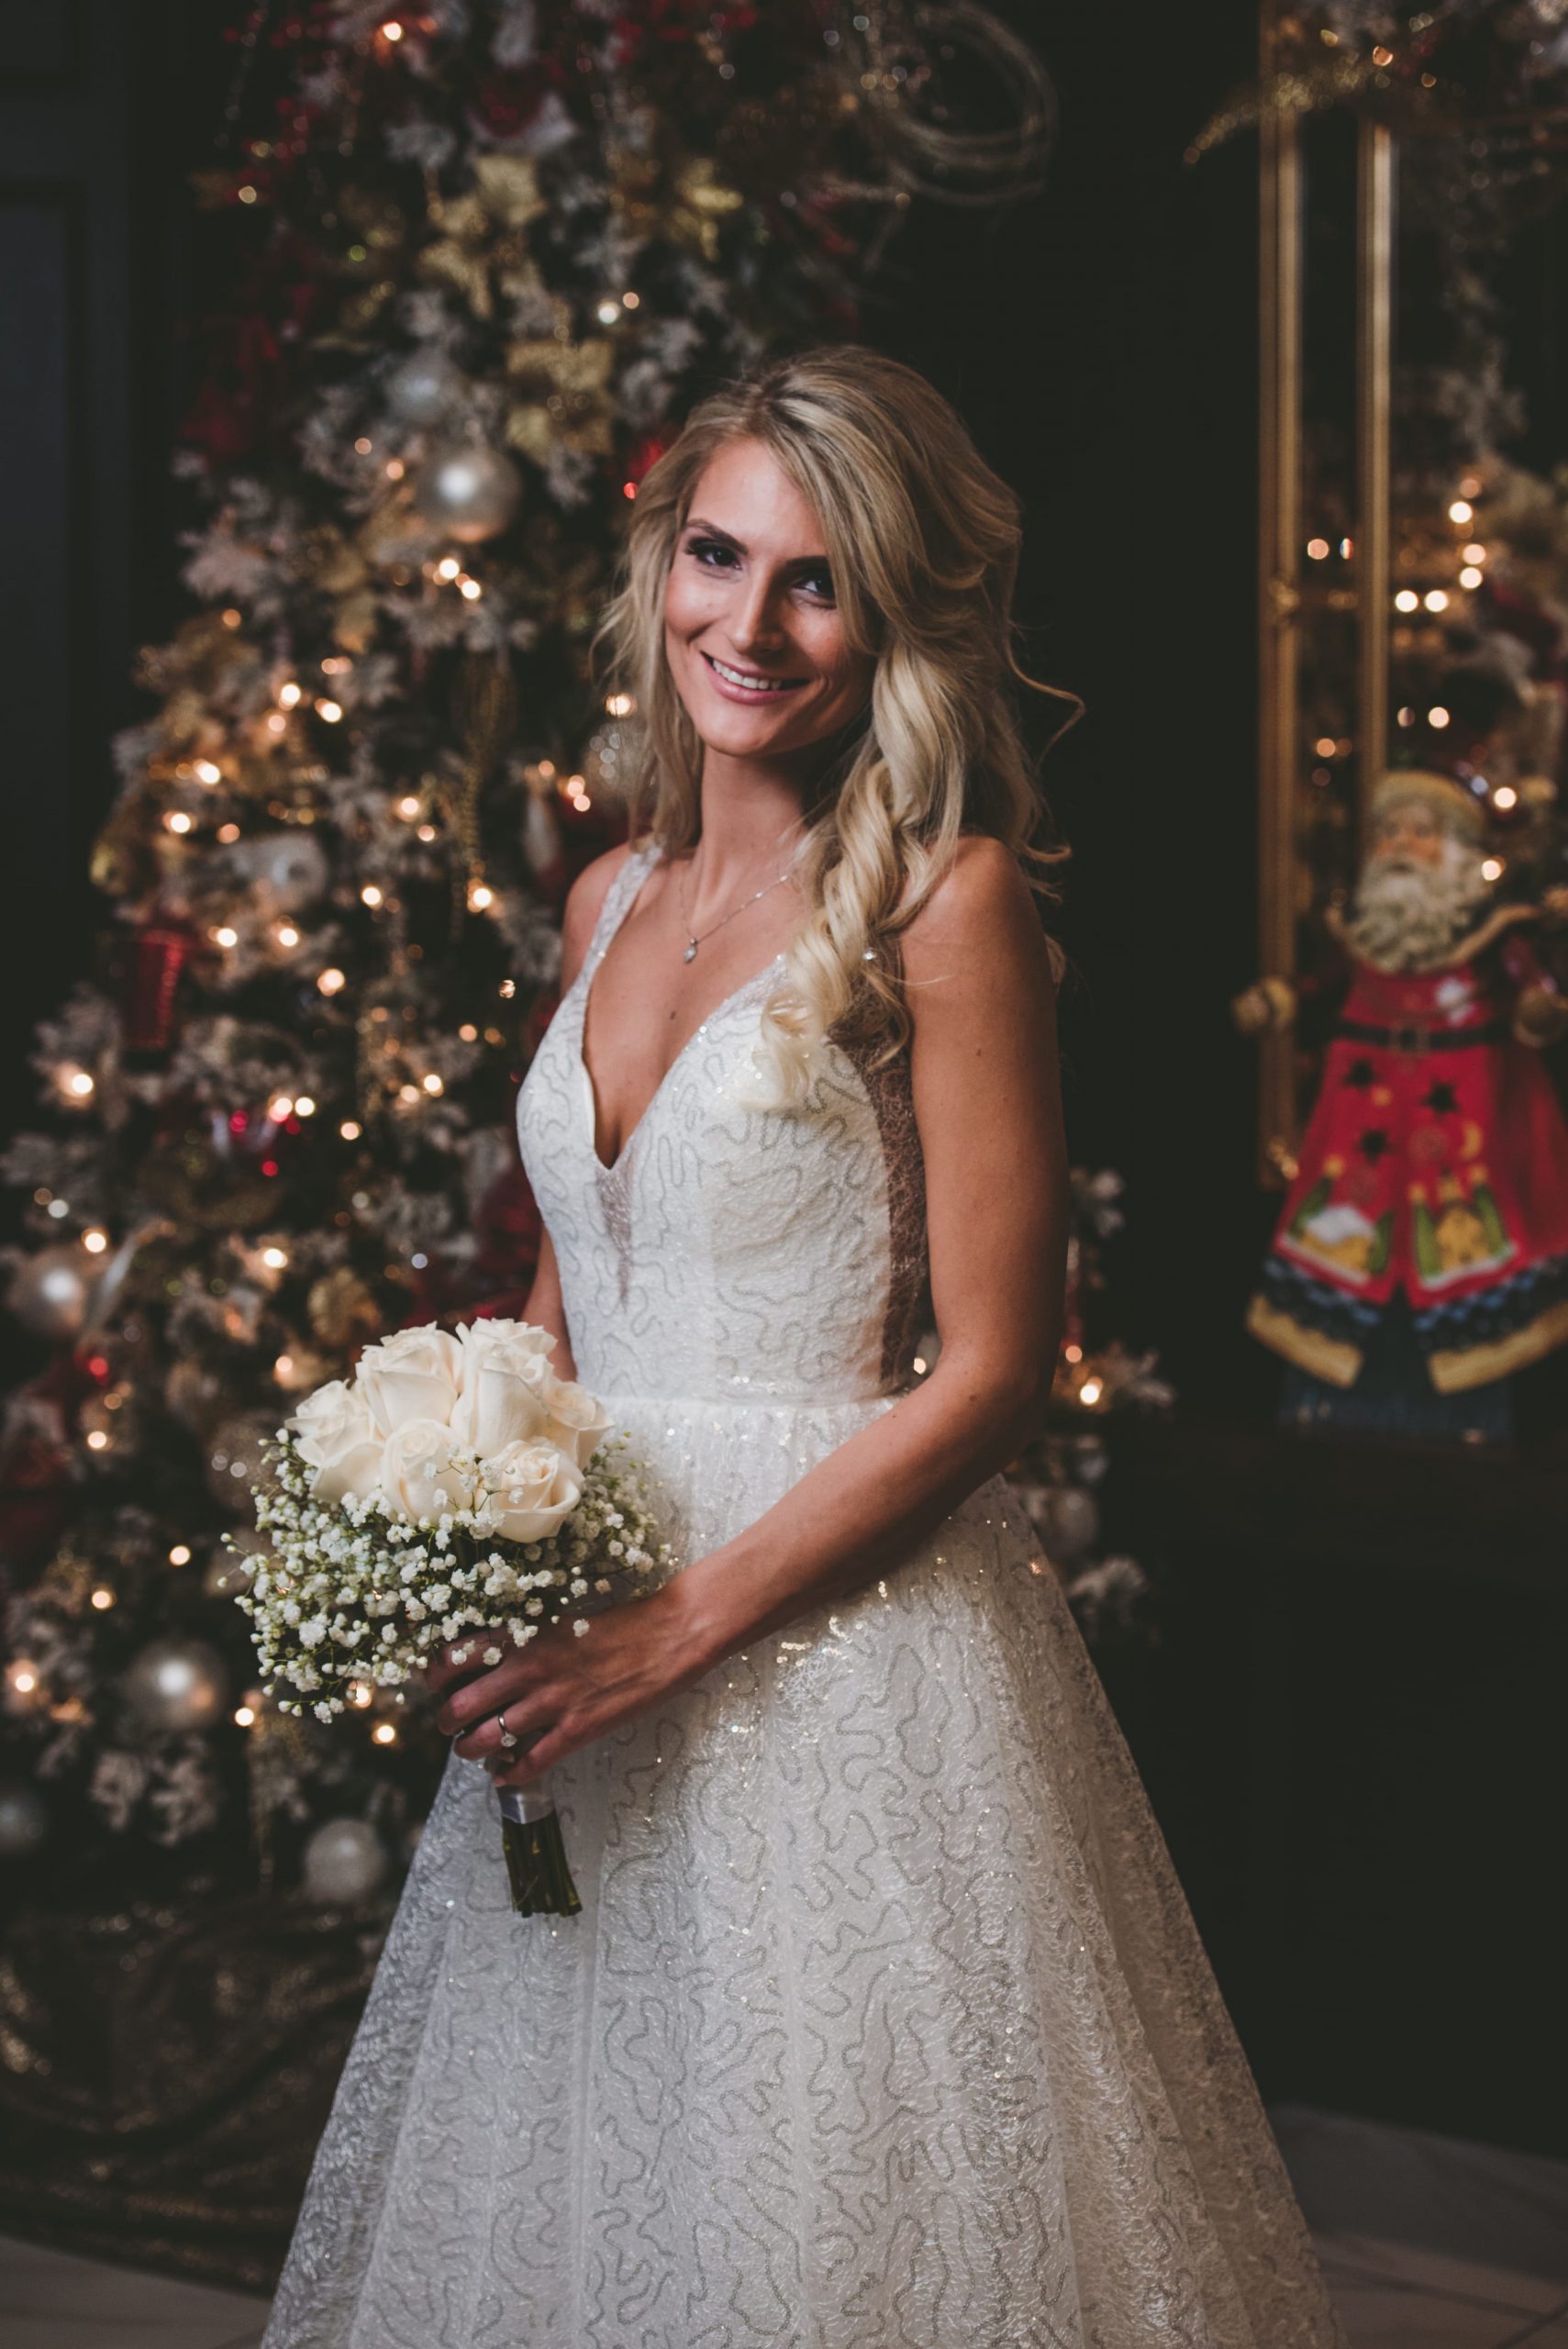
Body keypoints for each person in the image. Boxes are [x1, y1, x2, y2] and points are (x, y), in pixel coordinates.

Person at [263, 348, 1345, 2347]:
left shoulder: (946, 899)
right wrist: (471, 1522)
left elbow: (997, 1365)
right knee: (582, 2194)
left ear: (894, 617)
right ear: (659, 561)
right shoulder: (608, 891)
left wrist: (670, 1624)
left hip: (826, 1650)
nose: (743, 625)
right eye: (712, 554)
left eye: (814, 581)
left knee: (832, 2211)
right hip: (585, 1638)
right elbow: (576, 1288)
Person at [1239, 765, 1568, 1439]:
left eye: (1419, 832)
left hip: (1458, 1141)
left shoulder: (1492, 938)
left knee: (1458, 1251)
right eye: (1387, 832)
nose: (1398, 846)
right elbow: (1323, 981)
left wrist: (1537, 1011)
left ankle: (1468, 1426)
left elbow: (1528, 997)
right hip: (1363, 1132)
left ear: (1456, 853)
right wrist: (1281, 999)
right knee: (1351, 1244)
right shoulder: (1363, 940)